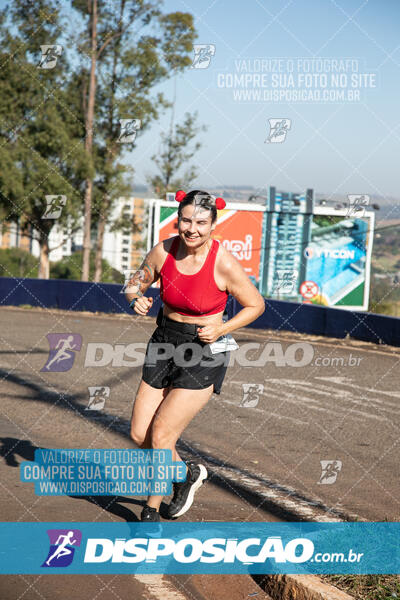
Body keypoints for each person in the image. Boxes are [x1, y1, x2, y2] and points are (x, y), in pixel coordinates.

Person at [126, 190, 265, 521]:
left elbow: (256, 305)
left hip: (205, 349)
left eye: (201, 222)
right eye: (186, 220)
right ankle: (187, 474)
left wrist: (222, 328)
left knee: (161, 435)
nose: (192, 229)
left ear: (213, 224)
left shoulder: (224, 262)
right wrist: (136, 298)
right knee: (138, 434)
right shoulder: (163, 252)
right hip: (163, 342)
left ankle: (151, 508)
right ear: (178, 220)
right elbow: (135, 283)